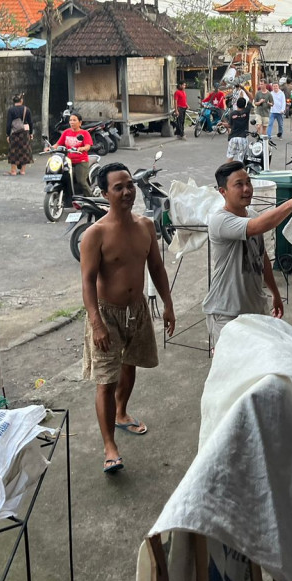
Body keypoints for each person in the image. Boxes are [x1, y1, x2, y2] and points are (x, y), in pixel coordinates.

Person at [80, 163, 175, 474]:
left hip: (137, 310)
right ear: (104, 194)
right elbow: (87, 281)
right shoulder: (95, 234)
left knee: (130, 364)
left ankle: (121, 413)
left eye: (130, 185)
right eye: (118, 187)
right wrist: (96, 323)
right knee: (106, 381)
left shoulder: (146, 226)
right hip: (106, 313)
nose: (127, 192)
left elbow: (157, 268)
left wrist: (168, 304)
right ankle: (110, 447)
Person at [203, 161, 292, 348]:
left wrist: (275, 293)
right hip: (226, 313)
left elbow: (261, 257)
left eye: (248, 182)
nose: (247, 189)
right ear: (223, 191)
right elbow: (256, 227)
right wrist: (291, 204)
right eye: (239, 184)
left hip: (255, 309)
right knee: (235, 365)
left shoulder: (253, 214)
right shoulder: (220, 221)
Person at [57, 112, 93, 195]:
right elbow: (58, 144)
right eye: (70, 120)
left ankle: (91, 198)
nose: (72, 122)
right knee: (63, 178)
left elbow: (88, 146)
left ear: (80, 122)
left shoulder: (84, 133)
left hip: (81, 161)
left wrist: (82, 148)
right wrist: (50, 148)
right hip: (68, 161)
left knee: (81, 181)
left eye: (74, 120)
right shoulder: (66, 132)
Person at [6, 94, 33, 176]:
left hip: (14, 133)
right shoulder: (26, 109)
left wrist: (7, 135)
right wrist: (31, 133)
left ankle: (13, 171)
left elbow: (8, 124)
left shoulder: (11, 110)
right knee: (24, 151)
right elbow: (30, 122)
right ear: (21, 101)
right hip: (24, 133)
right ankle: (22, 171)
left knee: (13, 151)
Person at [226, 97, 250, 163]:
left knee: (230, 156)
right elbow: (251, 98)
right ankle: (241, 169)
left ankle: (227, 168)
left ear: (236, 104)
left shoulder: (232, 113)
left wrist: (222, 124)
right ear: (245, 105)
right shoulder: (246, 111)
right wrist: (245, 90)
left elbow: (229, 125)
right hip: (243, 138)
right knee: (241, 159)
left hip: (233, 138)